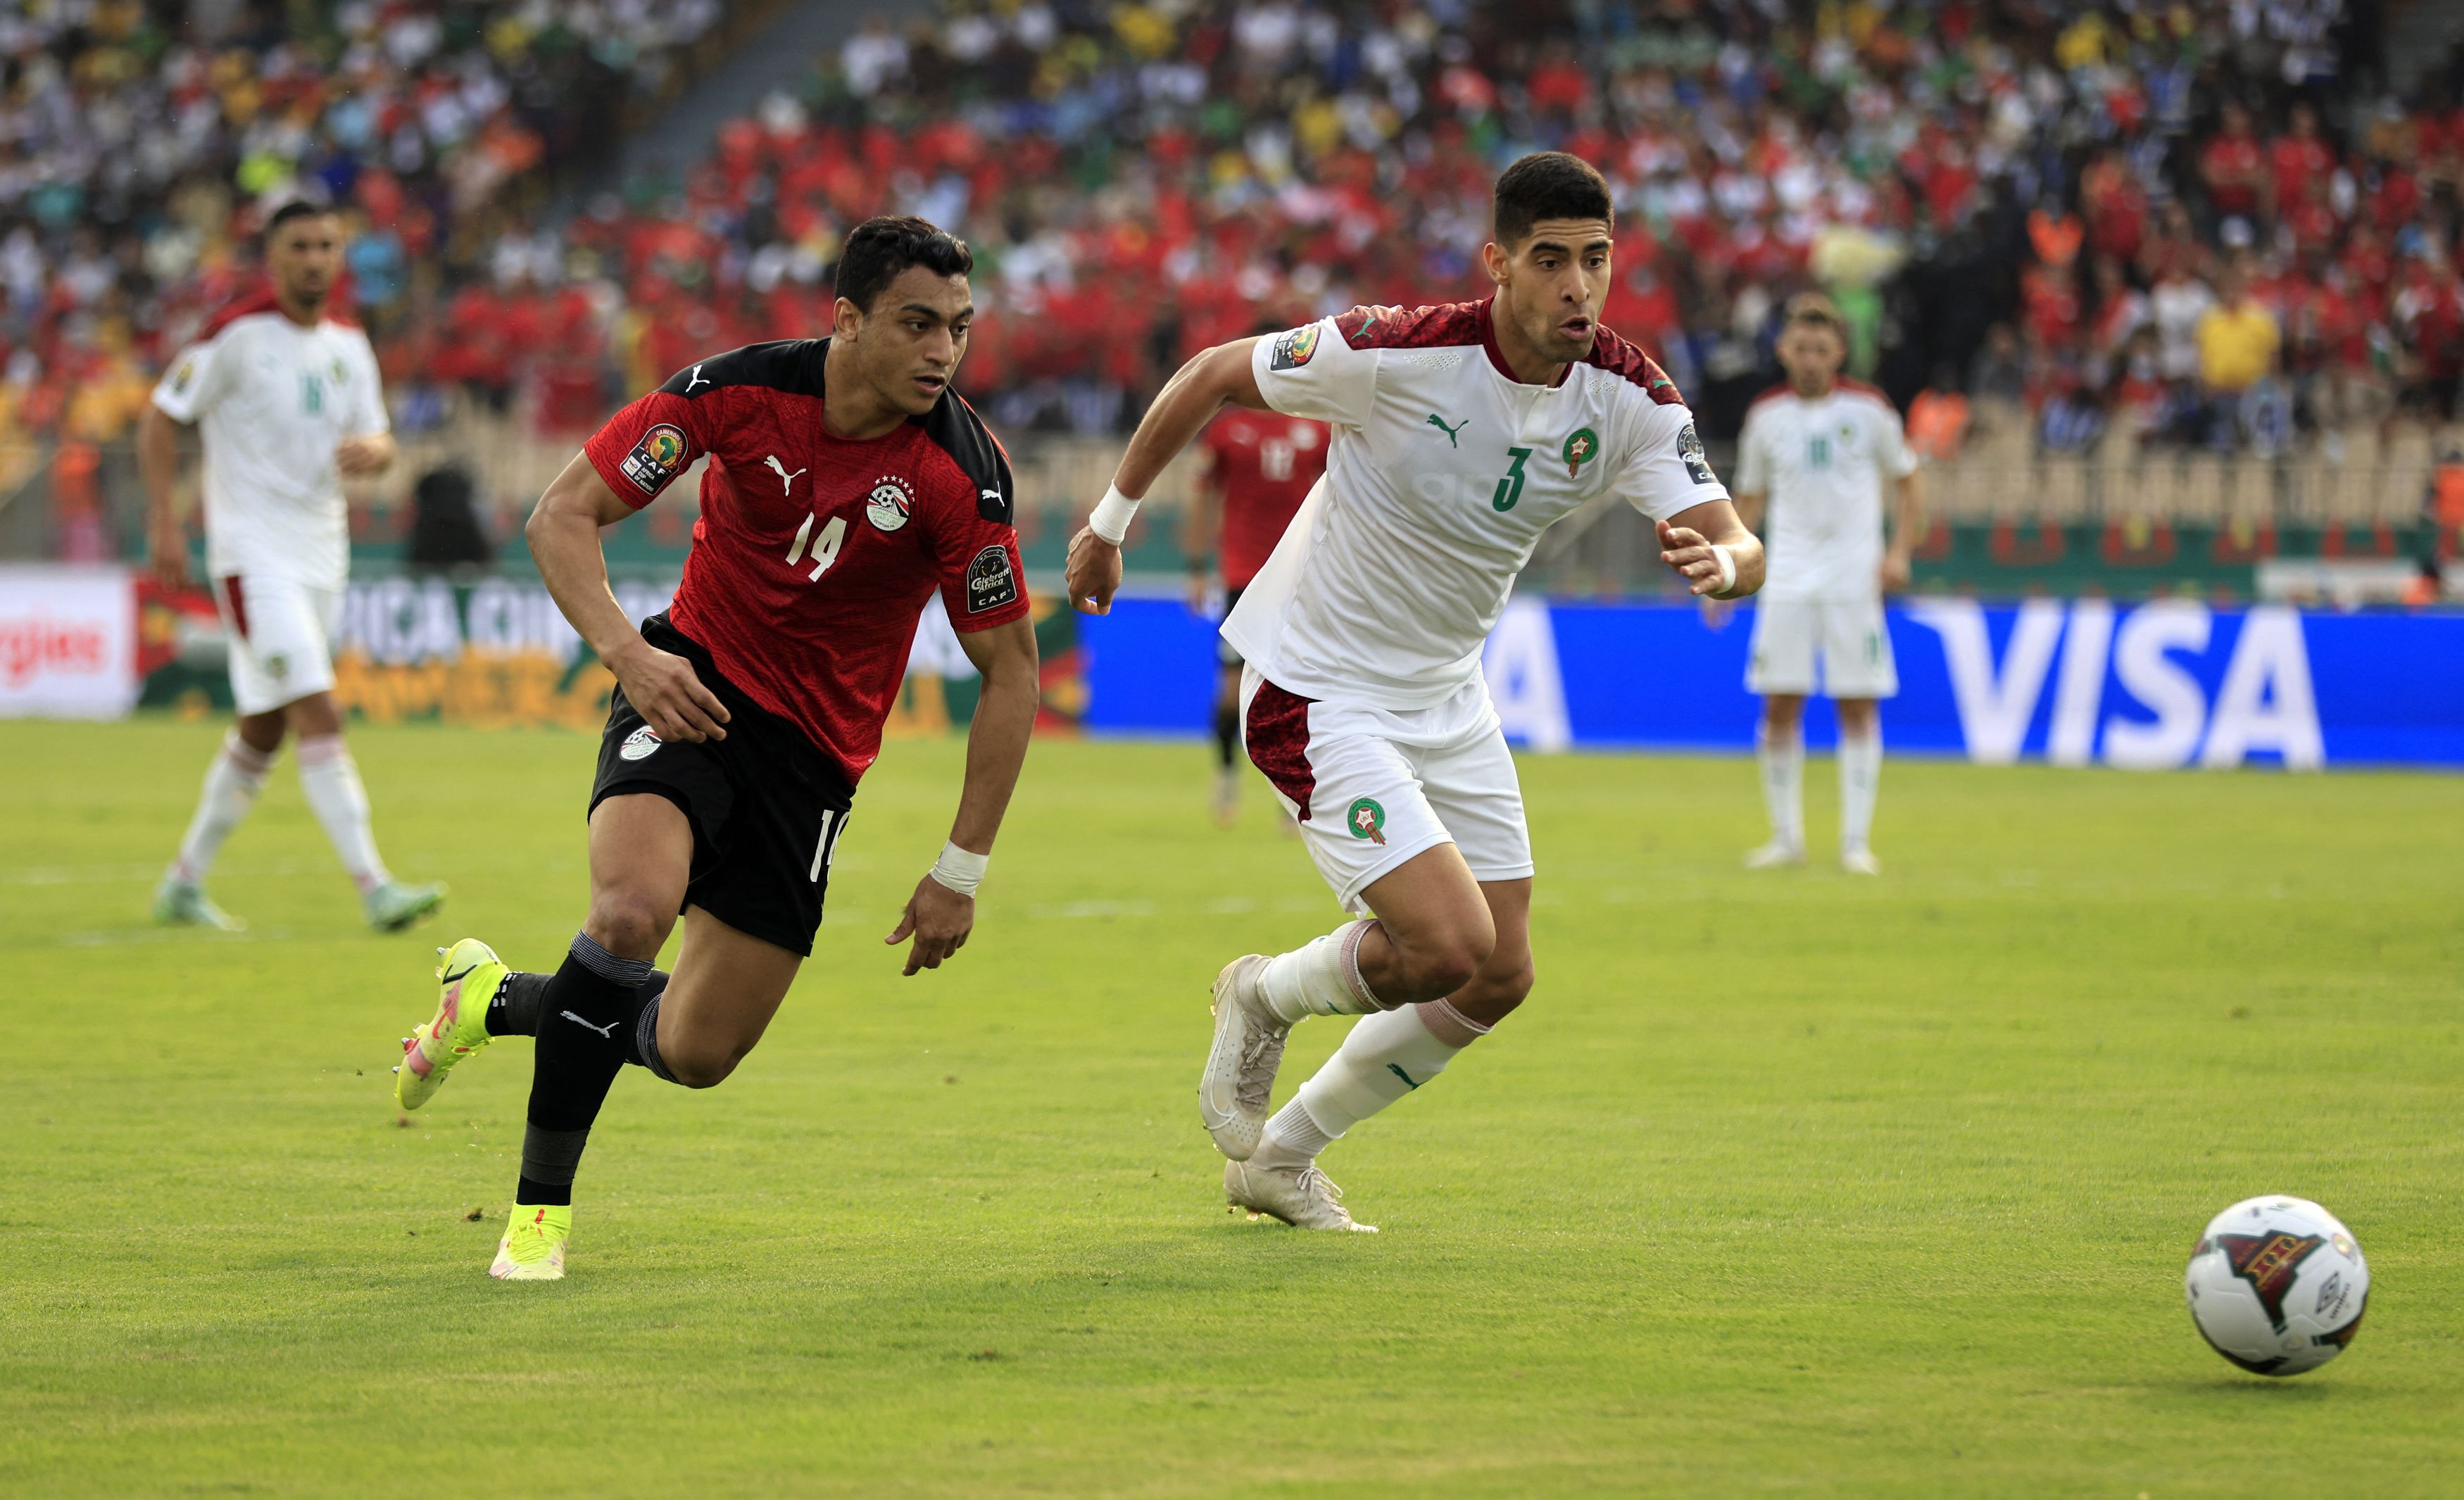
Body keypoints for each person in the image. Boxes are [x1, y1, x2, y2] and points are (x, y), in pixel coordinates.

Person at [1063, 153, 1763, 1231]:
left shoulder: (1628, 393)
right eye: (1551, 260)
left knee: (1500, 972)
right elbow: (1209, 372)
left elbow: (1736, 533)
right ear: (1498, 264)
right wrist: (1108, 529)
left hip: (1446, 695)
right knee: (1445, 946)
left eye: (1597, 258)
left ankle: (1280, 1157)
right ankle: (1262, 993)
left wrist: (1732, 563)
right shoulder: (1395, 350)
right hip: (1316, 687)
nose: (1580, 284)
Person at [390, 217, 1041, 1280]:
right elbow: (563, 514)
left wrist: (959, 869)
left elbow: (1012, 672)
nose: (943, 351)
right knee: (629, 914)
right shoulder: (735, 393)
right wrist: (628, 655)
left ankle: (495, 999)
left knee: (698, 1050)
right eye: (918, 323)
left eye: (960, 329)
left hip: (815, 763)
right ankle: (538, 1217)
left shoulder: (962, 475)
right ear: (847, 318)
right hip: (689, 689)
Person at [141, 200, 445, 933]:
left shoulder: (348, 341)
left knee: (264, 727)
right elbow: (160, 416)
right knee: (319, 706)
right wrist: (164, 523)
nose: (314, 259)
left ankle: (182, 882)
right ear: (273, 259)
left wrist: (379, 450)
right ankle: (375, 886)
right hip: (252, 554)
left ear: (340, 258)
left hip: (323, 552)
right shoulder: (235, 335)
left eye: (326, 246)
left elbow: (378, 434)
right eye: (300, 246)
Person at [1733, 294, 1924, 876]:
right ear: (1783, 350)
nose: (1811, 358)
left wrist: (1898, 550)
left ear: (1839, 350)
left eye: (1822, 348)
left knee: (1856, 704)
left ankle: (1854, 841)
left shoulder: (1870, 410)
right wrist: (1730, 569)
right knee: (1780, 701)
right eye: (1801, 347)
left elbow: (1909, 481)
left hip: (1852, 578)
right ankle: (1786, 836)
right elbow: (1750, 500)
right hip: (1787, 576)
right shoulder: (1765, 417)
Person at [1181, 342, 1328, 824]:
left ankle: (1294, 795)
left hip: (1299, 580)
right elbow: (1201, 496)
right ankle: (1225, 779)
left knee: (1300, 689)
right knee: (1230, 691)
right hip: (1242, 579)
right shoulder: (1228, 432)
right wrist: (1198, 566)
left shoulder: (1318, 429)